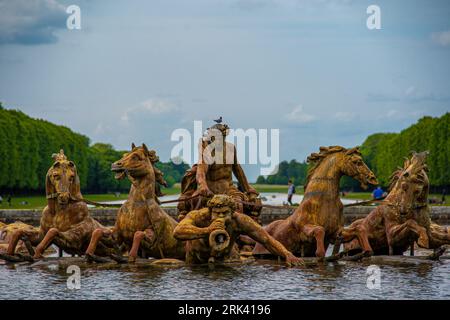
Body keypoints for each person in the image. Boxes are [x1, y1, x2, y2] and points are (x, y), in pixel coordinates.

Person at [173, 194, 304, 266]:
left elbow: (267, 240)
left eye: (225, 213)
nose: (220, 217)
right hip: (195, 259)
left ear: (233, 212)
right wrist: (207, 230)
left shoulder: (240, 221)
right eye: (217, 213)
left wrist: (287, 254)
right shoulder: (200, 216)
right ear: (210, 211)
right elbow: (178, 232)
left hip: (221, 260)